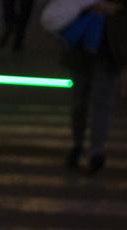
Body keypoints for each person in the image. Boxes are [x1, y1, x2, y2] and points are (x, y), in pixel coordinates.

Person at [52, 0, 127, 174]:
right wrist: (87, 6)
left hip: (110, 50)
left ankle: (96, 152)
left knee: (102, 103)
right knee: (79, 101)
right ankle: (77, 145)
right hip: (81, 46)